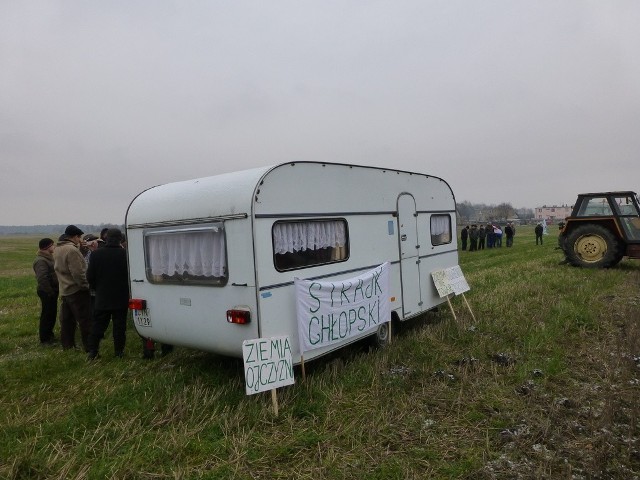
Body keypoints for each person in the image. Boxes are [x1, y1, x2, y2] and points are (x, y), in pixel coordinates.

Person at [86, 228, 130, 359]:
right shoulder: (125, 254)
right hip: (121, 296)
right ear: (120, 239)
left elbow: (90, 276)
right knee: (119, 327)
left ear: (106, 238)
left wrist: (97, 288)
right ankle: (119, 352)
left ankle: (93, 351)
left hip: (102, 296)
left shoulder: (96, 255)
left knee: (98, 325)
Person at [53, 225, 92, 351]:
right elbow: (78, 273)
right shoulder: (72, 250)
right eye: (79, 237)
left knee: (67, 322)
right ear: (75, 236)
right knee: (85, 321)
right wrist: (85, 286)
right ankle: (89, 347)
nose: (80, 239)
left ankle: (68, 346)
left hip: (64, 290)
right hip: (76, 291)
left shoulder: (58, 248)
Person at [33, 238, 59, 345]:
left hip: (51, 291)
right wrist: (50, 291)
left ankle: (49, 335)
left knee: (51, 314)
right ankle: (45, 339)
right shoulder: (41, 260)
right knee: (47, 315)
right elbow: (42, 278)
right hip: (47, 291)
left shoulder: (47, 258)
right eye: (53, 245)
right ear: (47, 247)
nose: (54, 247)